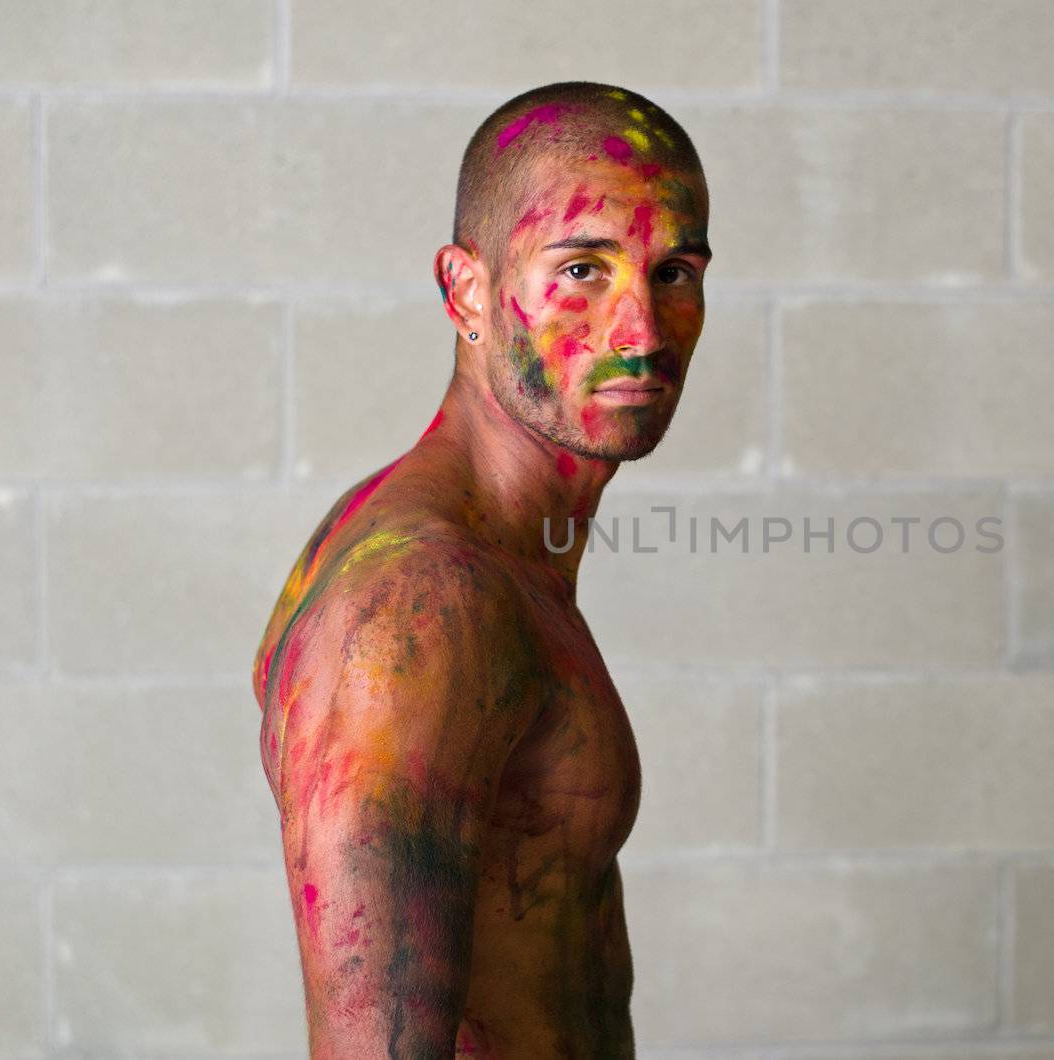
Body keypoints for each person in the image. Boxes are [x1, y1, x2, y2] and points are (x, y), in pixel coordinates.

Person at [250, 80, 711, 1058]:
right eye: (582, 269)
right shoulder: (421, 605)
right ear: (465, 290)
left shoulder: (495, 559)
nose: (640, 331)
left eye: (673, 271)